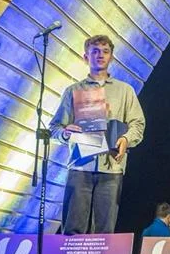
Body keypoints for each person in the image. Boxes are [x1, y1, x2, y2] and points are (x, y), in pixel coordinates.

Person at [50, 34, 145, 234]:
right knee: (72, 230)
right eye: (95, 51)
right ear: (86, 57)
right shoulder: (73, 91)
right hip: (80, 166)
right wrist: (66, 133)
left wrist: (126, 139)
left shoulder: (125, 91)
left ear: (111, 57)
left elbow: (138, 124)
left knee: (105, 232)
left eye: (105, 51)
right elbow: (55, 128)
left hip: (111, 167)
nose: (100, 55)